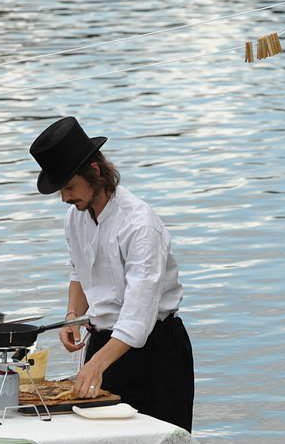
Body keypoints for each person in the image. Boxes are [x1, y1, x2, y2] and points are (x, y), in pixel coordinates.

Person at [29, 116, 194, 432]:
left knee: (159, 438)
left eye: (69, 186)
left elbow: (138, 319)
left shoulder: (139, 226)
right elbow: (78, 269)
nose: (65, 198)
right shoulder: (74, 217)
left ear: (95, 171)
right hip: (105, 344)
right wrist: (73, 314)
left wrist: (95, 365)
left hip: (156, 352)